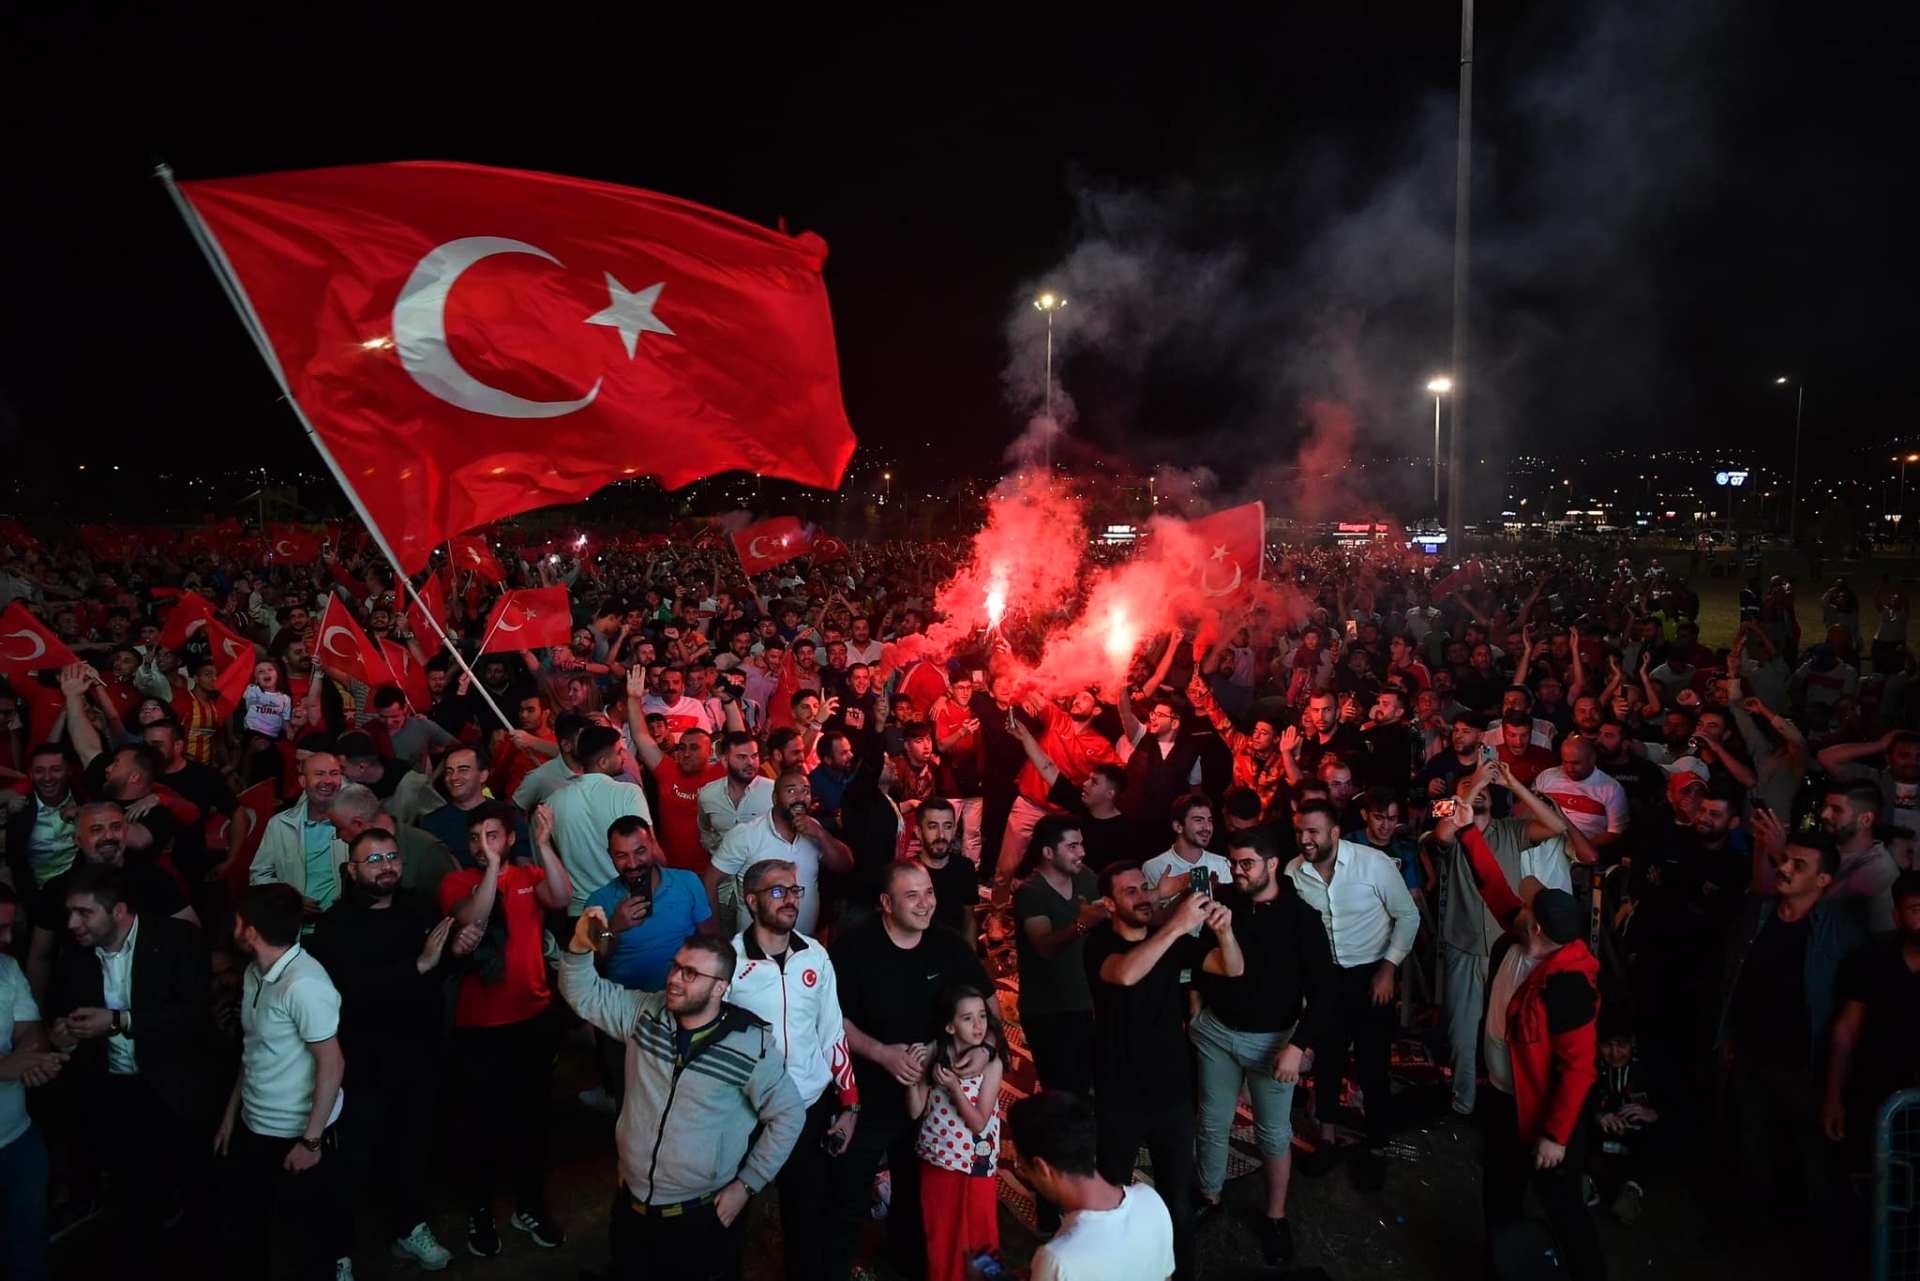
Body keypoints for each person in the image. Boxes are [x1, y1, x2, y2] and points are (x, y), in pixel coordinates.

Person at [559, 920, 805, 1281]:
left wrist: (746, 1184)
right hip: (630, 1207)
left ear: (720, 987)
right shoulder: (644, 1014)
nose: (674, 978)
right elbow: (583, 994)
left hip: (699, 1217)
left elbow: (789, 1114)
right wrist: (580, 946)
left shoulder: (750, 1046)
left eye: (690, 974)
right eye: (675, 967)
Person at [308, 828, 481, 1272]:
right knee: (354, 1160)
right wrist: (418, 964)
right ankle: (338, 1252)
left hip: (419, 1055)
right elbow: (350, 990)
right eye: (373, 860)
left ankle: (409, 1227)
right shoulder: (335, 925)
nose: (386, 867)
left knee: (411, 1150)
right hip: (364, 1064)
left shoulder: (419, 906)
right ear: (351, 870)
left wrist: (455, 952)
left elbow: (437, 969)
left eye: (391, 857)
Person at [830, 861, 996, 1281]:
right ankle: (836, 1265)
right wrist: (881, 1053)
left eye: (929, 892)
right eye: (912, 896)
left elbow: (989, 1006)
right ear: (886, 903)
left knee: (916, 1191)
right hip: (867, 1094)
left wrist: (986, 1049)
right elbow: (833, 1020)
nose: (925, 904)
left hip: (930, 1100)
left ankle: (909, 1262)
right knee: (847, 1191)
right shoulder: (854, 947)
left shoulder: (947, 943)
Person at [1456, 819, 1605, 1281]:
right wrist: (1467, 831)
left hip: (1544, 1113)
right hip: (1505, 1100)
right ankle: (1503, 1266)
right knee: (1499, 1191)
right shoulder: (1523, 937)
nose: (1518, 906)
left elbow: (1579, 1070)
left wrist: (1556, 1137)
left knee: (1562, 1206)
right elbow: (1494, 885)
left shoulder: (1568, 986)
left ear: (1537, 927)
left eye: (1527, 907)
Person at [1085, 861, 1243, 1279]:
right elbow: (1125, 974)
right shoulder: (1100, 944)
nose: (1142, 897)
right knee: (1112, 1197)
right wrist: (1174, 926)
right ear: (1108, 903)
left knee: (1177, 1201)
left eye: (1144, 888)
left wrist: (1225, 931)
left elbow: (1232, 967)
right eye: (1130, 892)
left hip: (1172, 1091)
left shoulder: (1171, 939)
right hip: (1120, 1094)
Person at [47, 867, 214, 1259]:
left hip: (179, 1090)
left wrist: (120, 1021)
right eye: (70, 912)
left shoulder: (177, 940)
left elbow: (193, 1015)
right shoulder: (75, 954)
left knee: (198, 1195)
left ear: (119, 911)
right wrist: (65, 1038)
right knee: (136, 1195)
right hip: (117, 1093)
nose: (72, 923)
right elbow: (65, 1018)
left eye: (84, 913)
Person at [1191, 829, 1333, 1268]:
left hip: (1273, 1041)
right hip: (1217, 1032)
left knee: (1272, 1133)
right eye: (1233, 863)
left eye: (1246, 863)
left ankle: (1275, 1217)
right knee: (1212, 1121)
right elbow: (1198, 958)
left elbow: (1325, 991)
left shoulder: (1301, 918)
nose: (1237, 871)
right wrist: (1196, 1009)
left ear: (1272, 864)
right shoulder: (1224, 901)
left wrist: (1298, 1046)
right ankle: (1209, 1196)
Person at [440, 802, 574, 1257]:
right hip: (477, 1027)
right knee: (478, 1123)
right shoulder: (456, 882)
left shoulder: (528, 877)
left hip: (531, 1018)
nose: (482, 846)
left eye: (492, 835)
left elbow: (562, 897)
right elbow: (473, 919)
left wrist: (543, 845)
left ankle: (530, 1205)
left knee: (532, 1120)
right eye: (475, 837)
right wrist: (494, 869)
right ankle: (480, 1209)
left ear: (511, 838)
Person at [725, 858, 861, 1281]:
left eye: (795, 890)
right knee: (729, 1215)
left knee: (806, 1216)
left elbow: (832, 1032)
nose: (790, 899)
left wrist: (850, 1105)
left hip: (807, 1107)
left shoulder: (814, 955)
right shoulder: (729, 962)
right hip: (745, 1112)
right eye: (777, 891)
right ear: (751, 901)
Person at [216, 883, 351, 1281]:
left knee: (306, 1246)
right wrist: (231, 1117)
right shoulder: (255, 973)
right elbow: (255, 1051)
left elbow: (332, 1064)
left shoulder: (304, 984)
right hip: (254, 1127)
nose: (232, 929)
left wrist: (311, 1142)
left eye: (237, 922)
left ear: (250, 932)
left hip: (296, 1135)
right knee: (246, 1232)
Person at [1286, 799, 1420, 1189]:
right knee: (1327, 1062)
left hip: (1371, 974)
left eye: (1313, 832)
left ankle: (1377, 1147)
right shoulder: (1294, 873)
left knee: (1373, 1064)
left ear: (1334, 833)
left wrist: (1388, 969)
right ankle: (1327, 1142)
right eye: (1299, 832)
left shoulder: (1373, 864)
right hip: (1325, 979)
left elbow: (1407, 915)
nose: (1305, 839)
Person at [1431, 761, 1578, 1117]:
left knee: (1509, 1031)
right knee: (1462, 1033)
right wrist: (1475, 783)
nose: (1478, 791)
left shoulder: (1511, 830)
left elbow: (1557, 827)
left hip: (1508, 945)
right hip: (1464, 943)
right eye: (1469, 786)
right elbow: (1443, 836)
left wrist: (1514, 784)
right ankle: (1463, 1106)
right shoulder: (1450, 829)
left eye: (1484, 788)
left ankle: (1513, 1105)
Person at [1005, 1091, 1175, 1281]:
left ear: (1042, 1167)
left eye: (1022, 1166)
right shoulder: (1151, 1200)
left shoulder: (1057, 1260)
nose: (1023, 1174)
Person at [907, 986, 1006, 1281]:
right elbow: (914, 1111)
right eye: (967, 1018)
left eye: (982, 1016)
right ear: (950, 1026)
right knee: (942, 1231)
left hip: (978, 1159)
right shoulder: (935, 1053)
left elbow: (978, 1123)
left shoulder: (992, 1064)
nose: (978, 1026)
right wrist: (913, 1074)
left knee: (980, 1231)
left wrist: (954, 1088)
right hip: (939, 1158)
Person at [0, 881, 63, 1281]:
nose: (9, 939)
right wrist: (11, 1066)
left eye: (12, 927)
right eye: (0, 928)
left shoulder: (7, 969)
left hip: (19, 1139)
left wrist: (28, 1059)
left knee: (28, 1246)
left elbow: (32, 1032)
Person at [707, 769, 853, 936]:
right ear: (775, 798)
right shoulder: (746, 834)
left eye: (805, 791)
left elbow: (845, 866)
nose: (800, 797)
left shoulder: (814, 830)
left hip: (803, 945)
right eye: (791, 791)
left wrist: (821, 834)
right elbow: (710, 882)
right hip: (756, 946)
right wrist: (713, 933)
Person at [548, 724, 652, 923]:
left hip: (580, 910)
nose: (624, 757)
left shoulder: (553, 802)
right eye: (619, 752)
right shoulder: (628, 793)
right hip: (628, 904)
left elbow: (554, 858)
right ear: (603, 762)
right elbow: (648, 846)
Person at [249, 751, 346, 911]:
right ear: (302, 781)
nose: (328, 780)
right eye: (319, 774)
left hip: (342, 921)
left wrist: (351, 896)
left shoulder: (355, 822)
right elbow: (259, 876)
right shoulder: (280, 824)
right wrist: (290, 899)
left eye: (334, 773)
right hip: (293, 922)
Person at [696, 729, 775, 861]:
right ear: (724, 761)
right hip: (722, 869)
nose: (750, 762)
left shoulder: (773, 791)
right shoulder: (708, 794)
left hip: (763, 869)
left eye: (754, 756)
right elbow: (704, 829)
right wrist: (713, 850)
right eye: (742, 757)